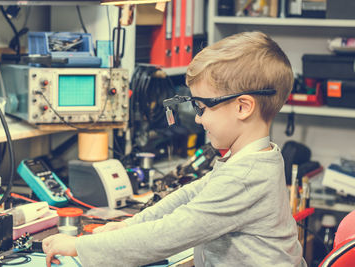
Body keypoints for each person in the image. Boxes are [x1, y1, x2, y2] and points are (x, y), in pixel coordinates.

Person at [43, 31, 306, 267]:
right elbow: (190, 196)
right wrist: (127, 226)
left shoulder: (246, 176)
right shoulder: (257, 157)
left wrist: (79, 247)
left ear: (242, 107)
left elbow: (169, 234)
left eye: (201, 107)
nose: (197, 119)